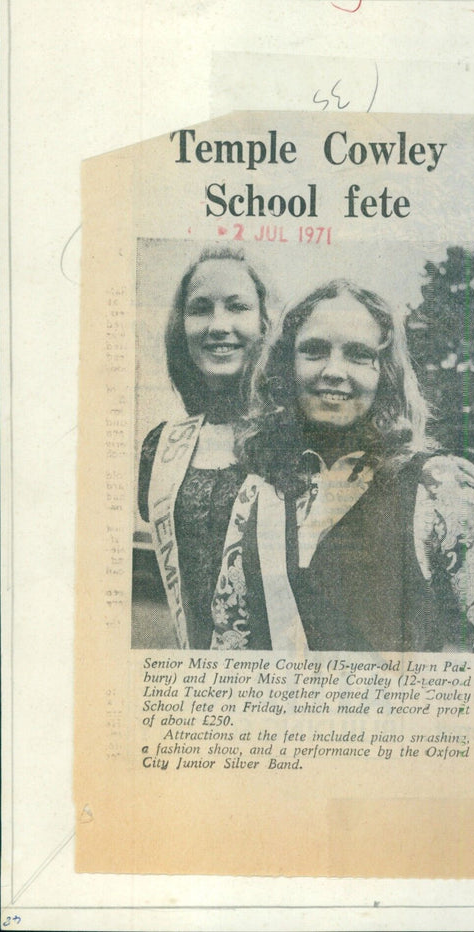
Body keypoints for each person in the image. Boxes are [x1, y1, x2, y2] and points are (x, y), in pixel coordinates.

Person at [210, 279, 474, 653]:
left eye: (357, 354)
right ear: (286, 367)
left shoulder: (439, 486)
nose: (334, 370)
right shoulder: (258, 494)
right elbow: (228, 648)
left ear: (385, 373)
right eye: (314, 350)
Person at [137, 245, 270, 649]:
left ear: (266, 323)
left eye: (237, 307)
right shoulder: (161, 447)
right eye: (200, 309)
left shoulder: (301, 437)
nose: (218, 325)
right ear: (182, 328)